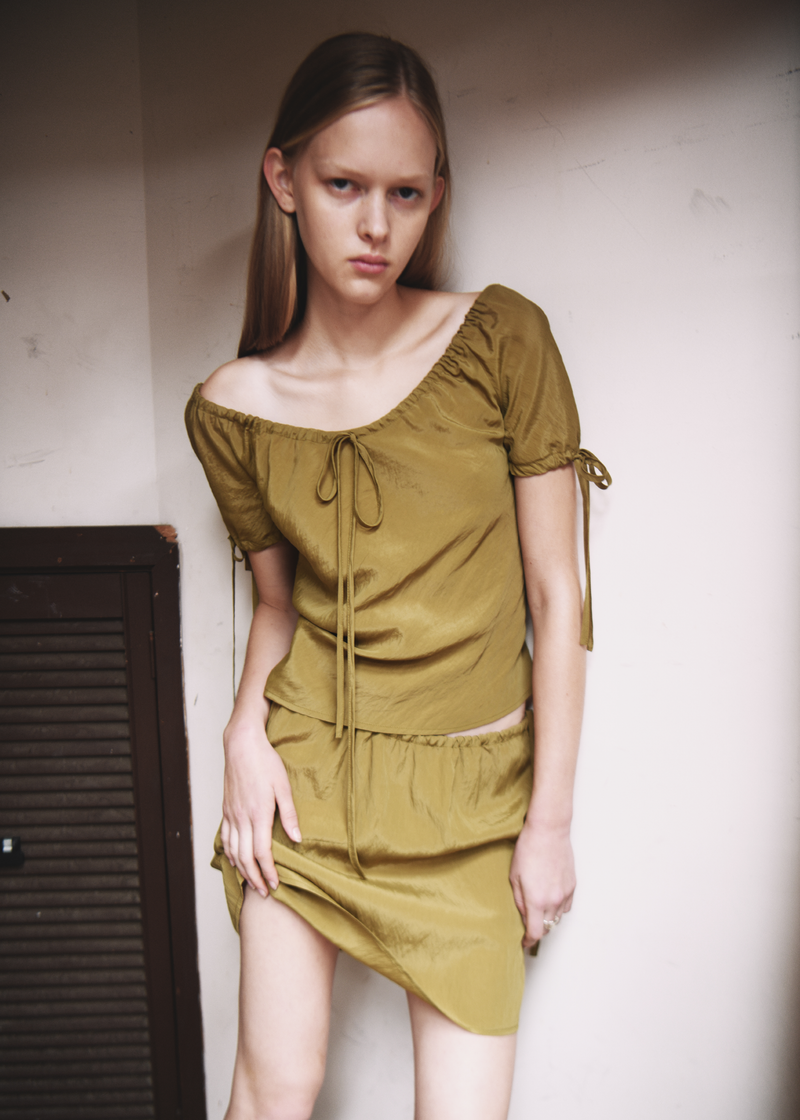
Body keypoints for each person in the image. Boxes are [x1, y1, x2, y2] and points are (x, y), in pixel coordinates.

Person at [185, 31, 610, 1120]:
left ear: (435, 198)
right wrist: (241, 737)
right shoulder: (232, 406)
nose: (376, 225)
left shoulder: (501, 339)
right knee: (271, 1093)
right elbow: (277, 603)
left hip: (471, 805)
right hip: (305, 782)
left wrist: (548, 823)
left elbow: (557, 594)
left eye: (405, 193)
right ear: (284, 179)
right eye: (344, 185)